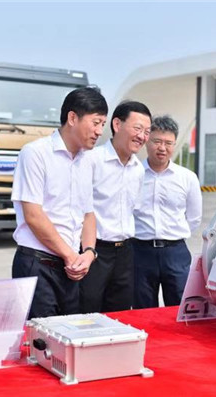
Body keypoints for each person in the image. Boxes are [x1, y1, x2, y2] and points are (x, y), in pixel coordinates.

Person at [11, 87, 108, 318]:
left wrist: (89, 252)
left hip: (71, 269)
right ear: (72, 118)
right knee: (41, 342)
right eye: (95, 122)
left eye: (103, 124)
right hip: (38, 265)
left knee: (68, 337)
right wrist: (70, 255)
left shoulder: (87, 161)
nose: (99, 131)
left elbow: (88, 214)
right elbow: (33, 215)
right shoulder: (35, 153)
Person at [79, 101, 151, 313]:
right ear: (117, 124)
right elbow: (81, 210)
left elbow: (134, 208)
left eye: (147, 131)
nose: (142, 136)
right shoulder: (91, 160)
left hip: (125, 252)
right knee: (87, 310)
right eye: (137, 129)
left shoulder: (138, 168)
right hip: (95, 251)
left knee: (119, 314)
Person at [132, 115, 202, 309]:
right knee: (142, 310)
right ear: (147, 141)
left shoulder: (187, 177)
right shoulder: (133, 173)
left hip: (175, 252)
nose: (162, 148)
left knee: (179, 309)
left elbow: (194, 218)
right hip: (140, 252)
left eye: (168, 143)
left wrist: (173, 233)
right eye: (157, 141)